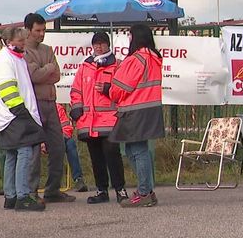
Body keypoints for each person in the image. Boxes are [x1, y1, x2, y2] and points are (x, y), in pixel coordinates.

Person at [70, 31, 129, 204]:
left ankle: (120, 189)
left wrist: (108, 89)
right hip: (89, 122)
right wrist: (76, 108)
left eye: (102, 43)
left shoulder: (117, 65)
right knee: (96, 157)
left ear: (108, 45)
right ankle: (101, 190)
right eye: (96, 44)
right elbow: (76, 90)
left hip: (110, 120)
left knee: (112, 154)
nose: (98, 46)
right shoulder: (85, 66)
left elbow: (123, 89)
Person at [108, 24, 164, 208]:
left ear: (136, 37)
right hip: (150, 108)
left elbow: (121, 87)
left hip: (134, 110)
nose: (129, 39)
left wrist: (111, 91)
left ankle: (144, 192)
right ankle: (146, 189)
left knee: (137, 151)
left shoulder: (136, 59)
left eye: (130, 36)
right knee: (136, 150)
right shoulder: (154, 57)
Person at [0, 27, 47, 211]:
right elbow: (8, 89)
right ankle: (23, 196)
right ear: (9, 42)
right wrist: (22, 112)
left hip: (10, 115)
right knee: (24, 152)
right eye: (20, 40)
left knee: (12, 154)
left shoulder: (15, 58)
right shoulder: (5, 60)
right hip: (14, 113)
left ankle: (11, 196)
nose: (24, 43)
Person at [23, 13, 76, 203]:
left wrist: (42, 70)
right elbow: (33, 76)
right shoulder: (24, 51)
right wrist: (47, 69)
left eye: (44, 30)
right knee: (34, 150)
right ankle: (31, 191)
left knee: (58, 145)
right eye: (38, 30)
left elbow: (57, 75)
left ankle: (53, 189)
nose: (41, 34)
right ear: (28, 30)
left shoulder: (48, 49)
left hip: (50, 103)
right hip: (34, 104)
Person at [55, 103, 88, 192]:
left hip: (58, 139)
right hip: (39, 140)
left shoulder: (58, 108)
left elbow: (66, 127)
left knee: (70, 143)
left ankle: (78, 179)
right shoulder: (33, 107)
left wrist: (61, 139)